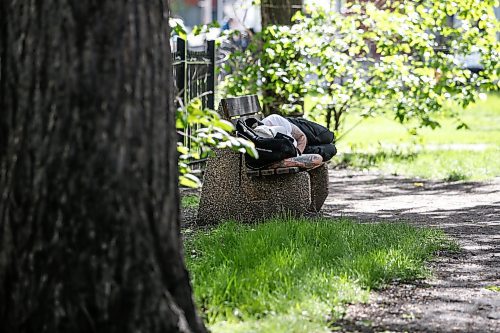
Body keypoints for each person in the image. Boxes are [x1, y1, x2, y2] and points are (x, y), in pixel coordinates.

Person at [260, 114, 337, 162]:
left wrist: (297, 153)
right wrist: (298, 155)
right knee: (331, 149)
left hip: (297, 131)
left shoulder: (273, 121)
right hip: (295, 150)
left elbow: (301, 136)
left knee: (328, 136)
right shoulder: (267, 151)